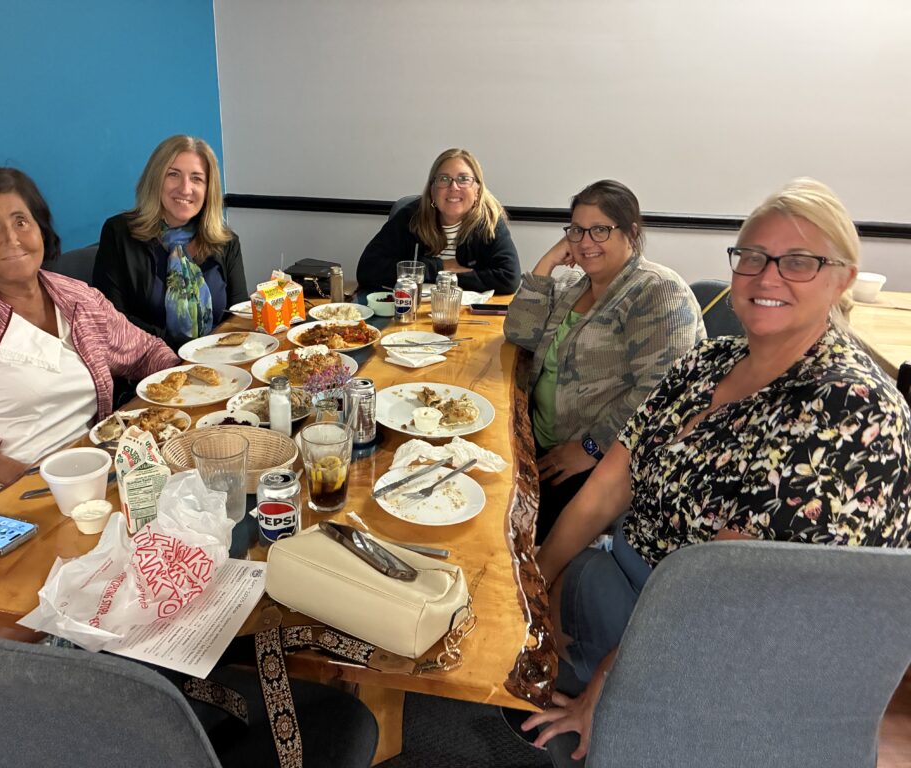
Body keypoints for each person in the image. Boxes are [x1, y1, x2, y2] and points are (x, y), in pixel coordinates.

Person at [521, 178, 911, 761]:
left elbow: (719, 598)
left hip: (722, 661)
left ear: (843, 278)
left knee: (543, 723)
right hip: (630, 596)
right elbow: (609, 486)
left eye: (798, 262)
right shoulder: (708, 362)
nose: (766, 277)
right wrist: (529, 590)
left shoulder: (850, 408)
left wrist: (608, 691)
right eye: (751, 257)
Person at [0, 165, 179, 554]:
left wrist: (182, 393)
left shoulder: (78, 299)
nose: (10, 238)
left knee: (172, 530)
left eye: (21, 221)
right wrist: (20, 475)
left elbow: (148, 352)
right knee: (51, 574)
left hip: (86, 469)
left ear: (41, 229)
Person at [503, 180, 704, 541]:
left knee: (508, 538)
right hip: (539, 442)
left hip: (599, 464)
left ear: (631, 233)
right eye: (577, 231)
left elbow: (662, 392)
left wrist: (591, 447)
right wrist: (548, 262)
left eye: (600, 230)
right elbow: (520, 332)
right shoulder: (578, 287)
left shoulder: (656, 291)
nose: (584, 242)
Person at [93, 135, 248, 347]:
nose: (185, 189)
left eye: (196, 178)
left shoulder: (226, 241)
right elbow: (112, 320)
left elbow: (238, 317)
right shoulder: (119, 233)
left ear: (208, 189)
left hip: (218, 363)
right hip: (147, 365)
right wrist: (188, 350)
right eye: (173, 174)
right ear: (155, 179)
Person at [356, 148, 520, 294]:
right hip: (412, 312)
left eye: (463, 179)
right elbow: (367, 269)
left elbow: (509, 279)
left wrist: (443, 279)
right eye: (444, 179)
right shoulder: (410, 217)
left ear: (477, 190)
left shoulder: (489, 222)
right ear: (432, 190)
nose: (454, 187)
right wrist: (440, 268)